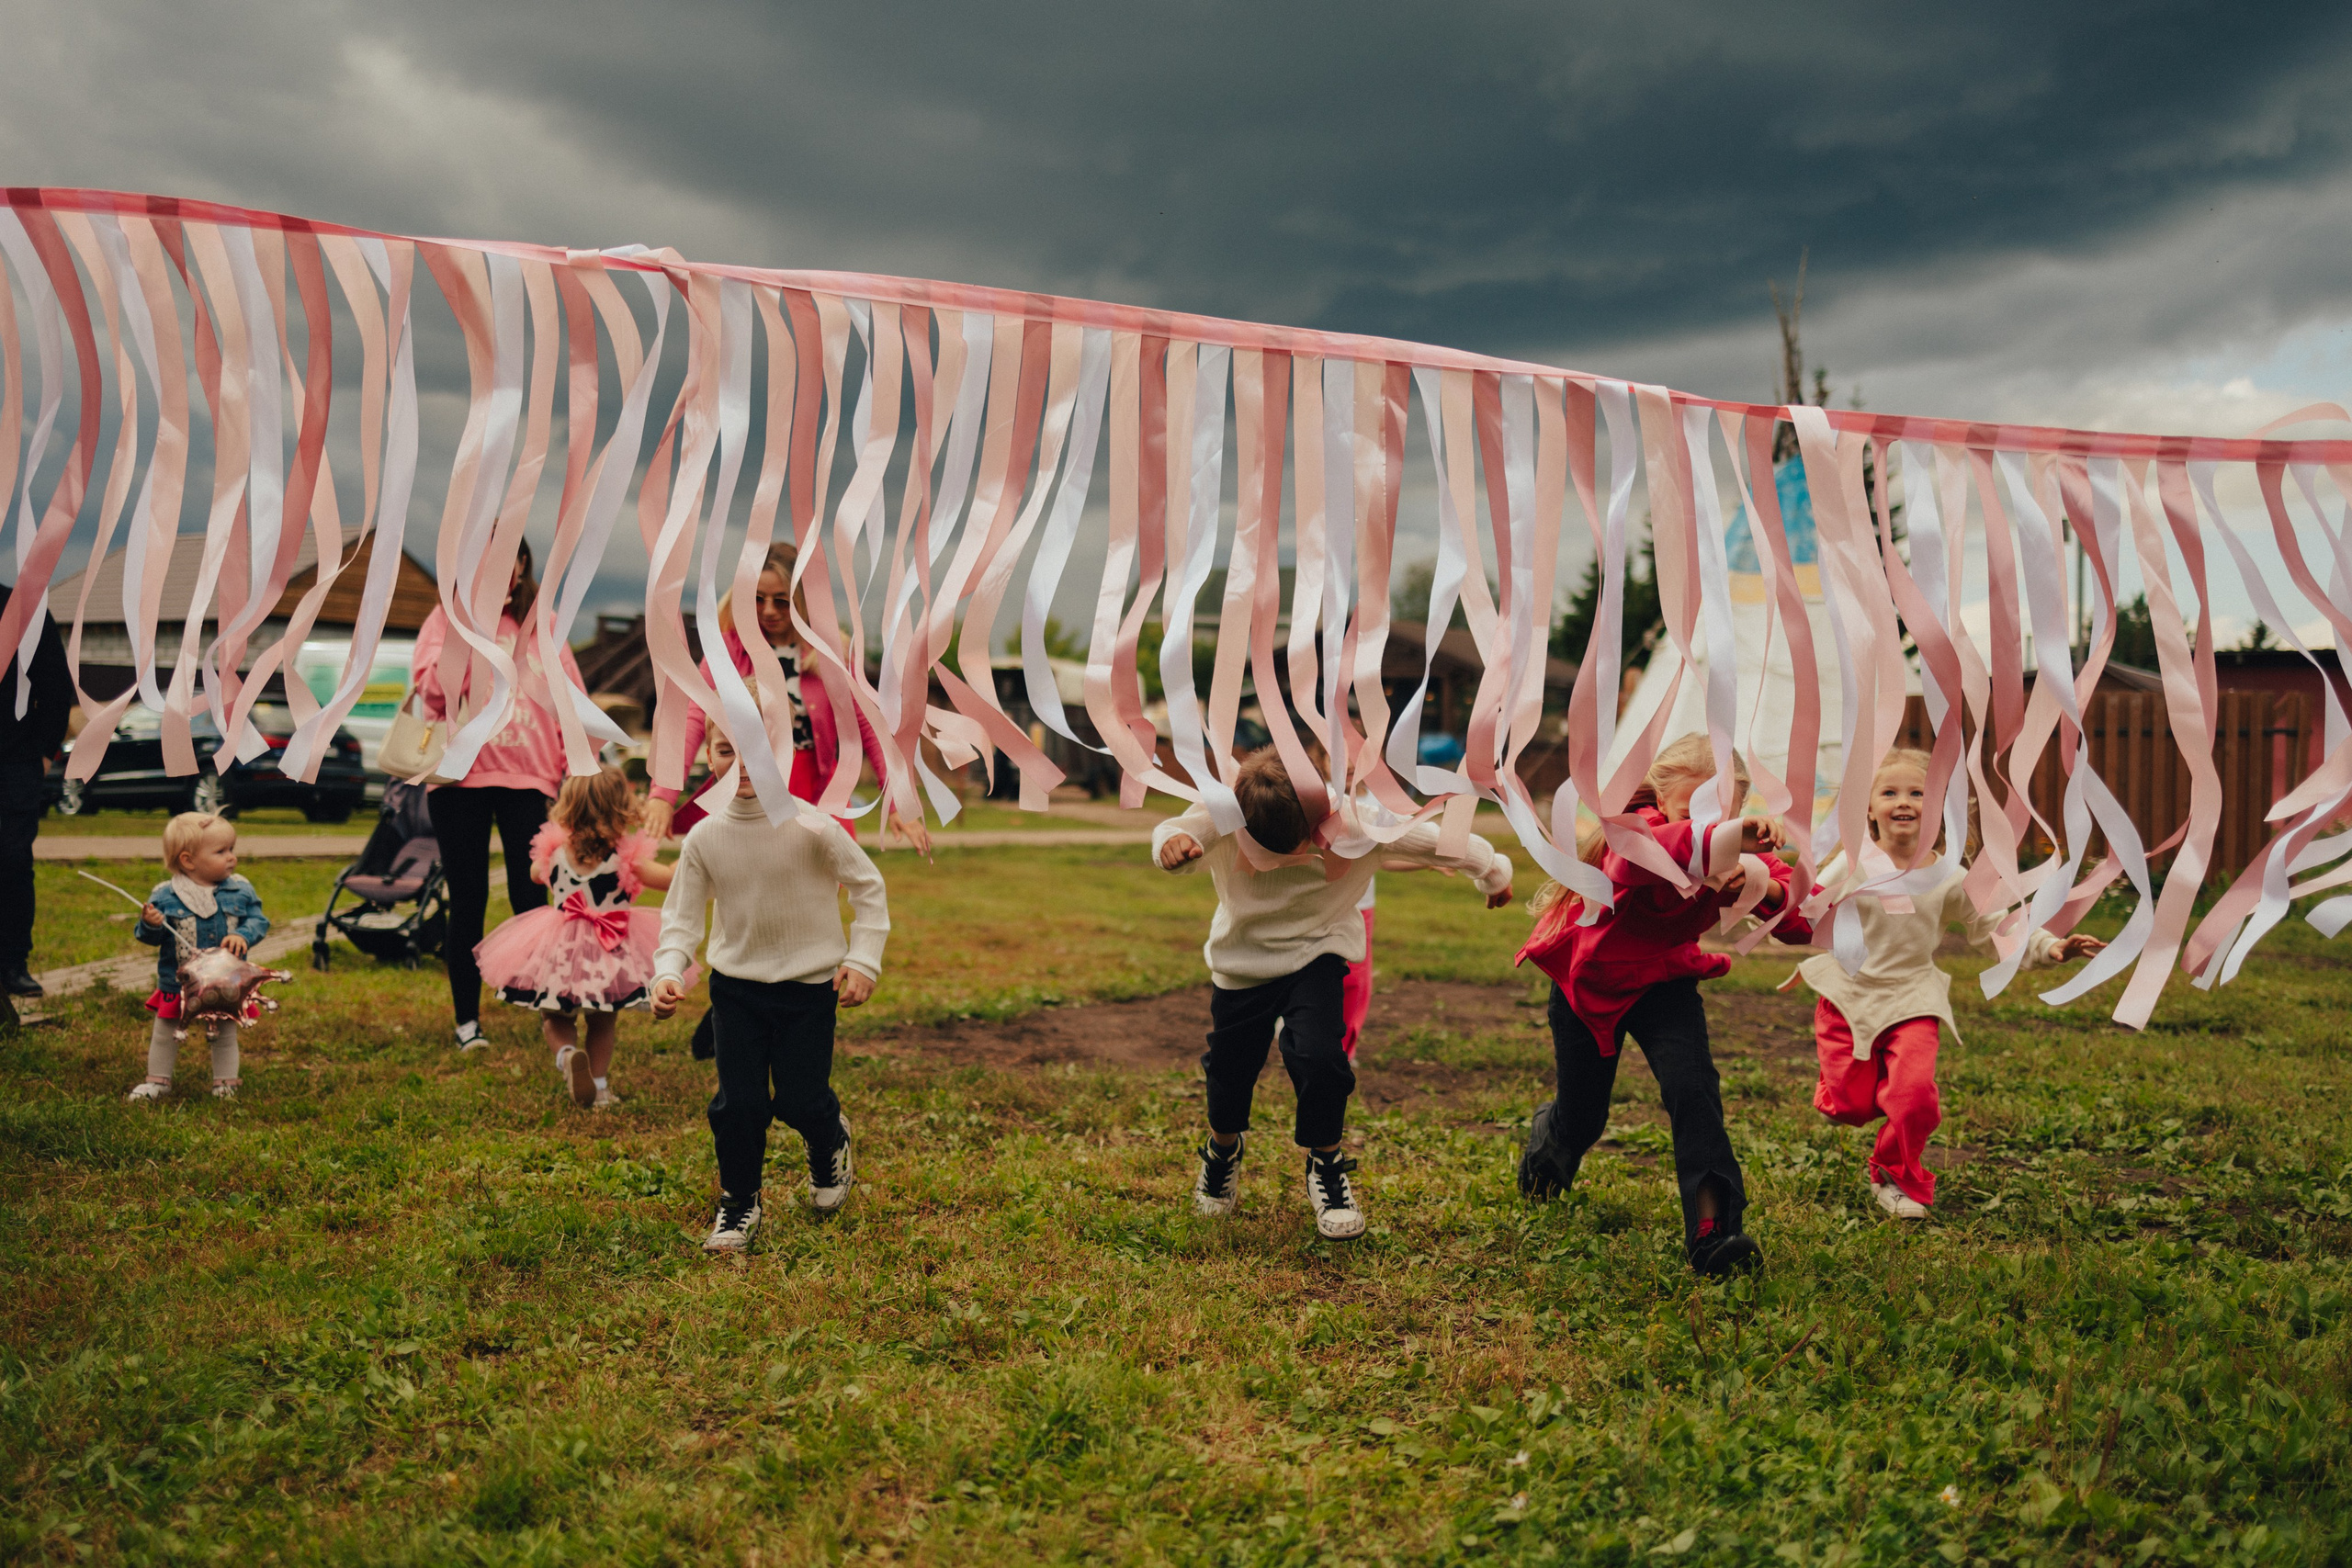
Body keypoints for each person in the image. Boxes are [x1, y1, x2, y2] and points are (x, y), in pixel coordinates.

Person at [1152, 747, 1515, 1240]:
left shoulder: (1360, 826)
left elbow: (1447, 844)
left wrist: (1495, 874)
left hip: (1318, 955)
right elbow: (1178, 831)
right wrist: (1170, 847)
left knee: (1321, 1057)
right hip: (1243, 964)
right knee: (1230, 1070)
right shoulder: (1226, 812)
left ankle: (1326, 1164)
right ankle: (1222, 1153)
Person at [1514, 735, 1812, 1277]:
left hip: (1666, 984)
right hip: (1591, 985)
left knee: (1693, 1091)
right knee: (1584, 1115)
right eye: (1697, 809)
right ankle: (1548, 1148)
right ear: (1662, 798)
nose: (1715, 823)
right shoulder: (1630, 830)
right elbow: (1644, 860)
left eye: (1727, 812)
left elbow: (1802, 922)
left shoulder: (1740, 855)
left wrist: (1763, 882)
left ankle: (1713, 1233)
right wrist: (1723, 839)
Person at [637, 543, 926, 1065]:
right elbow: (693, 724)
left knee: (808, 897)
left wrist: (900, 800)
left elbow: (869, 726)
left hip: (814, 794)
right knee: (746, 890)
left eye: (780, 602)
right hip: (746, 792)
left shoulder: (830, 653)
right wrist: (663, 794)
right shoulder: (725, 653)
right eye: (758, 601)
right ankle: (736, 1002)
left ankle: (783, 1012)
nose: (769, 613)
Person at [1795, 748, 2103, 1219]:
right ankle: (1846, 1090)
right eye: (1890, 792)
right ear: (1868, 808)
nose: (1905, 801)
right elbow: (1805, 906)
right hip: (1849, 996)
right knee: (1851, 1107)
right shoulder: (1853, 864)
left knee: (1913, 1095)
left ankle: (1894, 1175)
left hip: (1914, 998)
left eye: (1918, 793)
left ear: (1940, 808)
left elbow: (1994, 927)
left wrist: (2047, 947)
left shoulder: (1951, 876)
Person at [651, 718, 890, 1253]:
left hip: (809, 991)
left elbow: (867, 888)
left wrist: (864, 960)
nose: (738, 762)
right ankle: (740, 1205)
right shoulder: (705, 836)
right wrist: (668, 970)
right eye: (724, 749)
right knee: (738, 1105)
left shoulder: (813, 827)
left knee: (802, 1100)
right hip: (736, 990)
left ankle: (829, 1139)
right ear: (707, 758)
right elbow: (681, 918)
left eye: (753, 748)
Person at [411, 540, 589, 1052]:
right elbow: (432, 691)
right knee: (468, 900)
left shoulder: (543, 624)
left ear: (524, 565)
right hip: (458, 778)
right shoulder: (447, 619)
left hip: (529, 779)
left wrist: (574, 768)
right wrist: (469, 630)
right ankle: (468, 1022)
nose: (503, 569)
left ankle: (541, 1004)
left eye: (512, 556)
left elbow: (569, 699)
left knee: (532, 896)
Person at [473, 765, 677, 1110]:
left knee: (554, 1016)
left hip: (560, 948)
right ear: (620, 808)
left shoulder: (554, 853)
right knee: (603, 1019)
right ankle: (598, 1087)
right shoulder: (627, 858)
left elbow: (536, 875)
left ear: (567, 806)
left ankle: (567, 1055)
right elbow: (668, 880)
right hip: (609, 948)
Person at [129, 813, 268, 1101]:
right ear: (188, 861)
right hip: (178, 985)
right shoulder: (166, 896)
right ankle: (158, 1082)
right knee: (166, 1031)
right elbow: (150, 938)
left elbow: (258, 920)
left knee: (225, 1033)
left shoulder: (240, 889)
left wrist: (243, 934)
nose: (232, 858)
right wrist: (151, 924)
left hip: (225, 982)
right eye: (221, 851)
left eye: (232, 849)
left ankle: (225, 1083)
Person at [0, 581, 71, 1001]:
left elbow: (56, 688)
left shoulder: (23, 609)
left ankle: (12, 962)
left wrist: (44, 753)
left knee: (11, 861)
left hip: (14, 763)